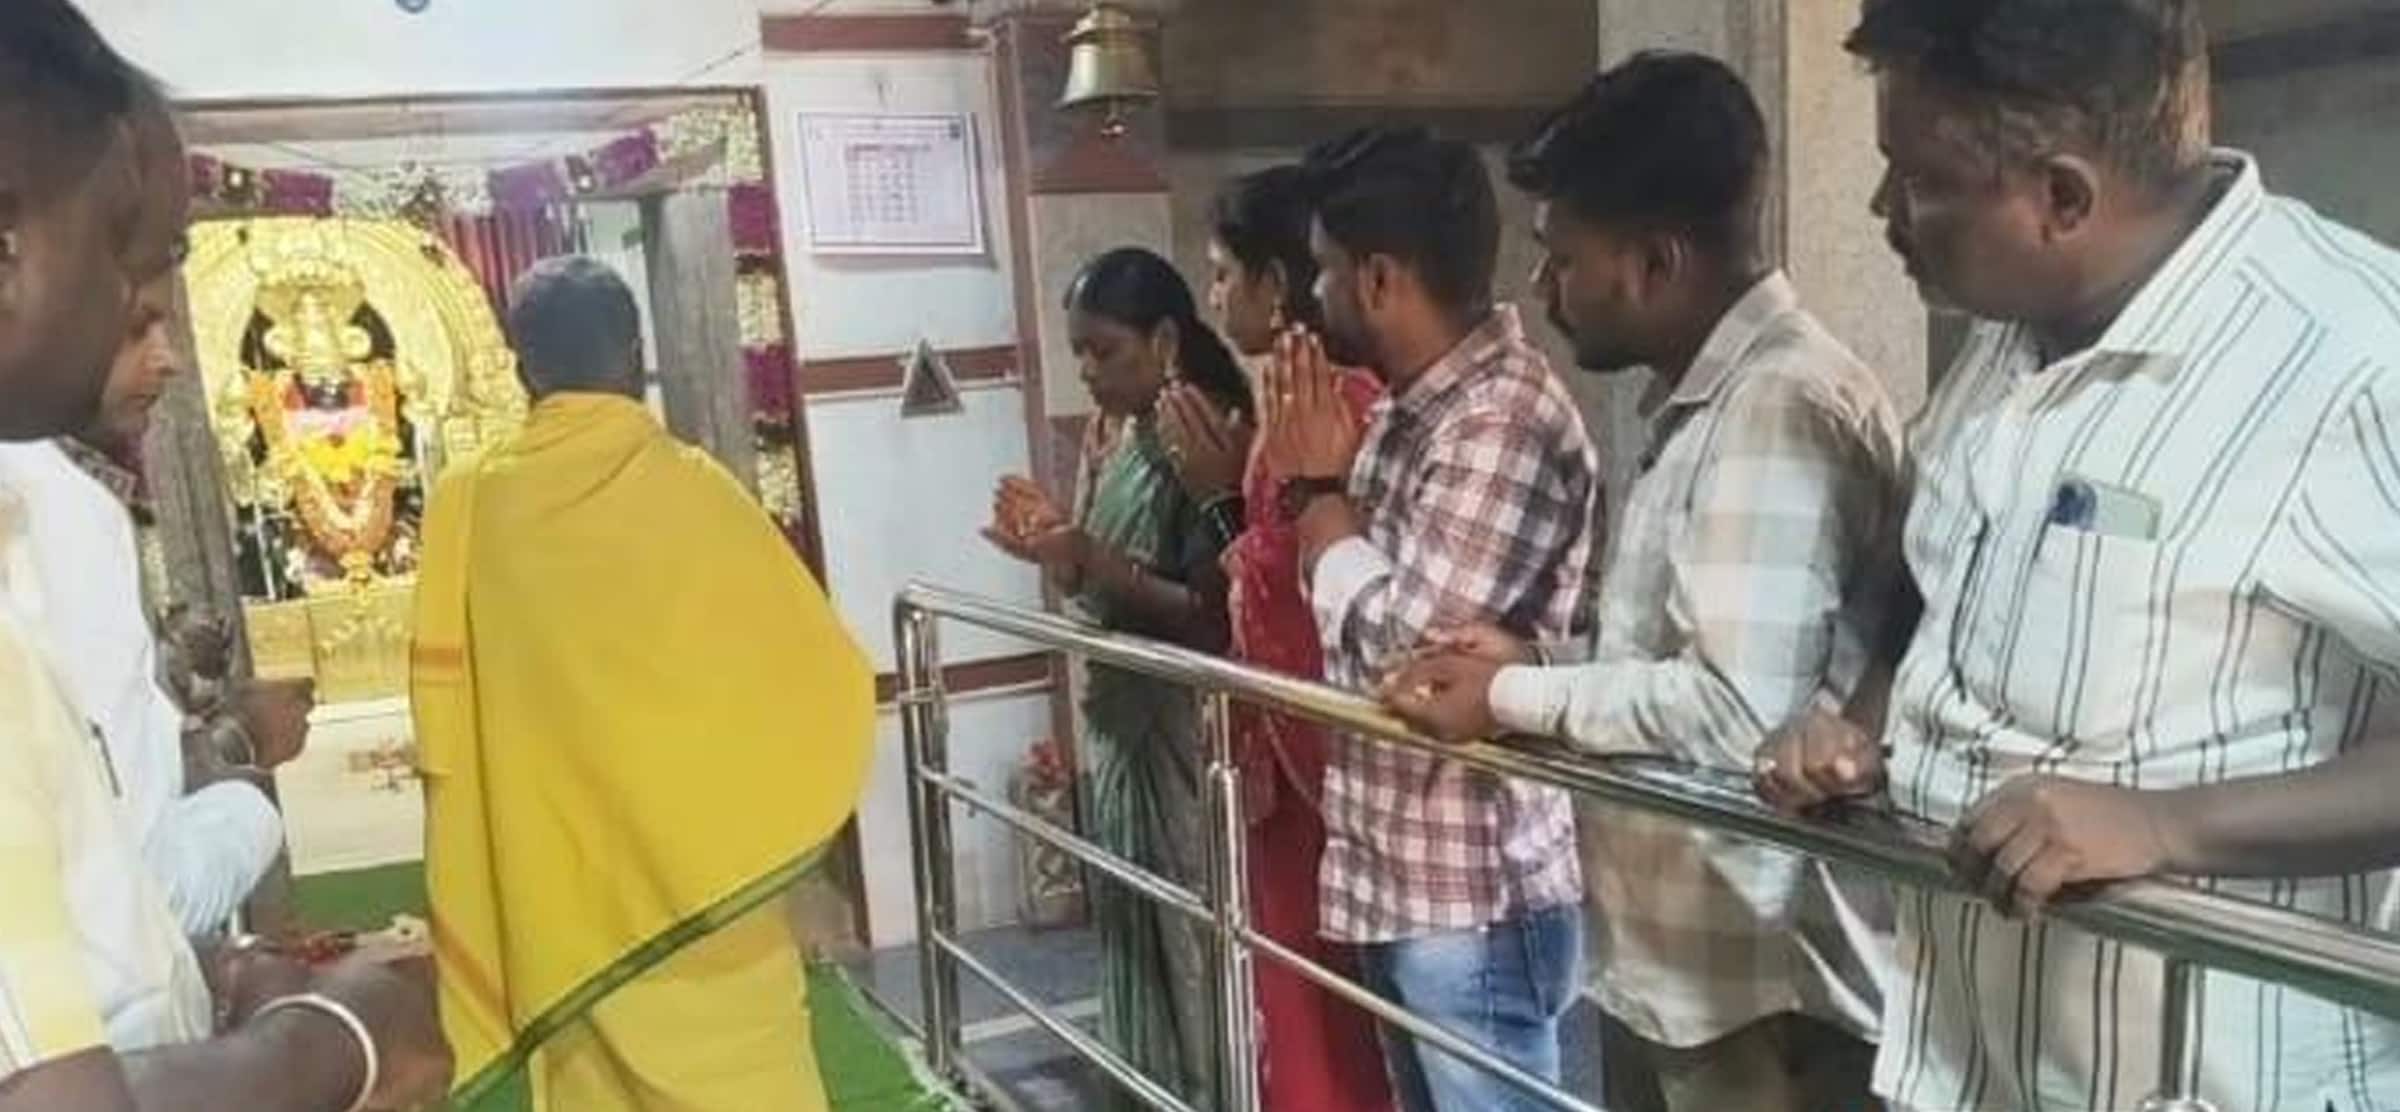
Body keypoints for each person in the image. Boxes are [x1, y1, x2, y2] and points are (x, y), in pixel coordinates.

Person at [1755, 0, 2400, 1107]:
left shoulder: (2354, 363)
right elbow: (1943, 581)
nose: (1882, 209)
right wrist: (1860, 722)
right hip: (1969, 1058)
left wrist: (2161, 825)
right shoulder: (2010, 333)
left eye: (1917, 180)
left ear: (2061, 197)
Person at [1378, 54, 1903, 1112]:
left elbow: (1736, 711)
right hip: (1684, 971)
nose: (1543, 288)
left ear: (1658, 262)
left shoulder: (1778, 407)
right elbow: (1692, 655)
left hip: (1761, 998)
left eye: (1563, 257)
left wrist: (1511, 696)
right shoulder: (1712, 405)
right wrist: (1539, 660)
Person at [0, 2, 450, 1108]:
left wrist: (188, 971)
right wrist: (338, 1042)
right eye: (124, 248)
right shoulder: (54, 516)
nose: (141, 308)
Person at [412, 255, 873, 1111]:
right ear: (635, 355)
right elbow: (822, 673)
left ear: (521, 368)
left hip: (568, 889)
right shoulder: (701, 492)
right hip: (714, 882)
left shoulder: (468, 506)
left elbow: (445, 724)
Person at [1260, 126, 1600, 1112]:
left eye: (1322, 270)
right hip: (1407, 874)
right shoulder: (1413, 413)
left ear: (1377, 279)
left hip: (1472, 894)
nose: (1312, 295)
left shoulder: (1500, 420)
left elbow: (1410, 661)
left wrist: (1318, 496)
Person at [981, 246, 1254, 1110]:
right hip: (1118, 719)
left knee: (1191, 931)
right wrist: (1058, 553)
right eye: (1080, 354)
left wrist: (1091, 557)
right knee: (1136, 926)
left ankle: (1210, 1093)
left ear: (1165, 341)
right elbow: (1095, 586)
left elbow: (1214, 613)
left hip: (1180, 728)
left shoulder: (1202, 432)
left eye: (1106, 351)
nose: (1090, 372)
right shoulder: (1113, 433)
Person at [1186, 166, 1393, 1112]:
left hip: (1321, 770)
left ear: (1276, 284)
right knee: (1289, 995)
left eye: (1224, 274)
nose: (1214, 296)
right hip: (1280, 770)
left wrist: (1228, 515)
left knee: (1325, 1012)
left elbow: (1315, 582)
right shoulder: (1289, 404)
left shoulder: (1339, 402)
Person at [0, 267, 284, 937]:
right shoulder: (55, 508)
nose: (168, 360)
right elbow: (145, 901)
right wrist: (249, 785)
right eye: (136, 330)